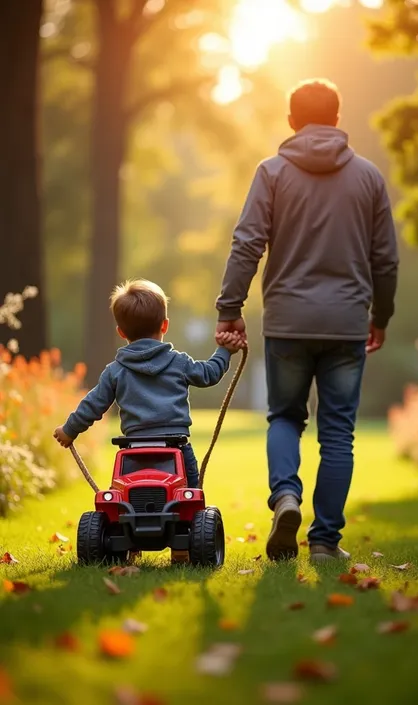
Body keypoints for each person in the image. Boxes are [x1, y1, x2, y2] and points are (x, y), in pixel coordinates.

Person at [215, 79, 399, 562]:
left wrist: (229, 308)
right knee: (337, 432)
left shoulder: (272, 172)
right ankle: (323, 543)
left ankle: (286, 498)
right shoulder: (368, 177)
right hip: (346, 323)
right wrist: (381, 314)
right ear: (338, 120)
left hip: (287, 322)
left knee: (285, 417)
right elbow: (386, 260)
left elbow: (247, 242)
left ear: (291, 120)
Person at [54, 278, 243, 488]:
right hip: (176, 450)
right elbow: (210, 373)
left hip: (134, 454)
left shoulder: (115, 371)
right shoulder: (178, 363)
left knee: (124, 503)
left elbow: (93, 405)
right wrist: (225, 350)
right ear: (165, 325)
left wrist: (69, 430)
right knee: (191, 501)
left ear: (121, 332)